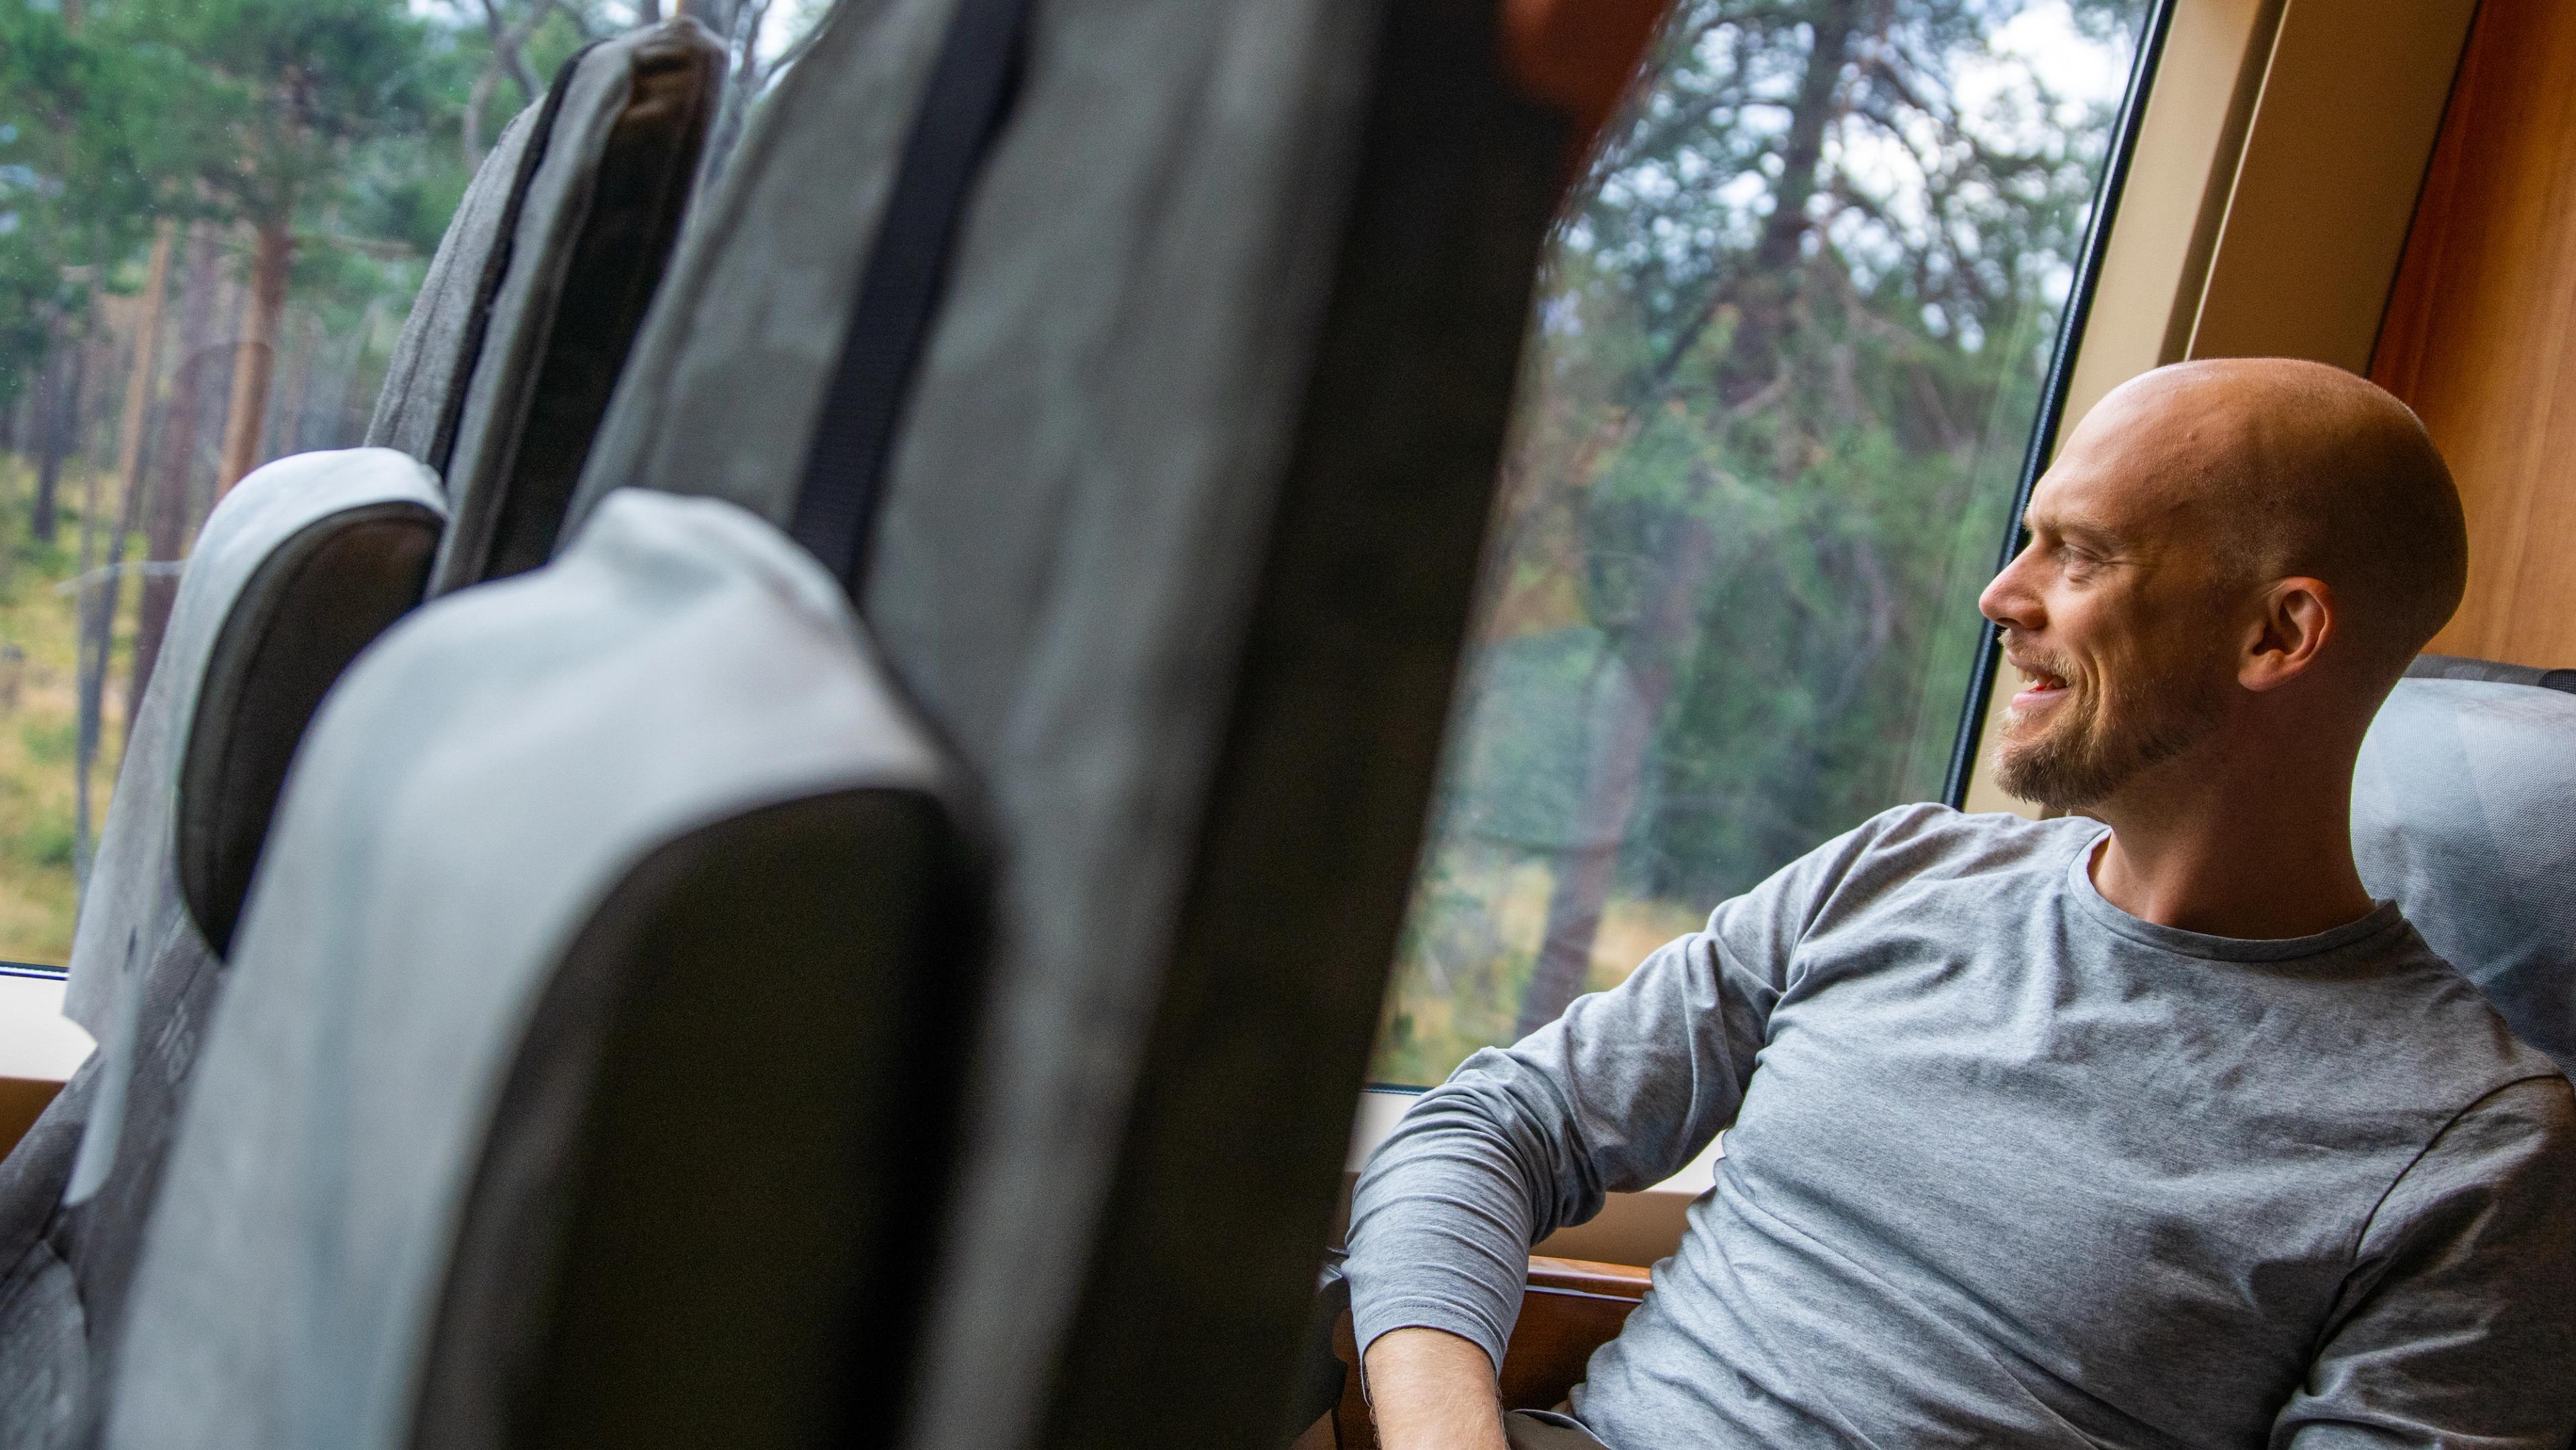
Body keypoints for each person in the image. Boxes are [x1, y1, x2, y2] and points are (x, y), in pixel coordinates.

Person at [1343, 358, 2576, 1450]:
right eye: (2026, 536)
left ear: (2278, 632)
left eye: (2080, 554)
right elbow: (1490, 1128)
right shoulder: (1890, 875)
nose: (1999, 594)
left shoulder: (2474, 1148)